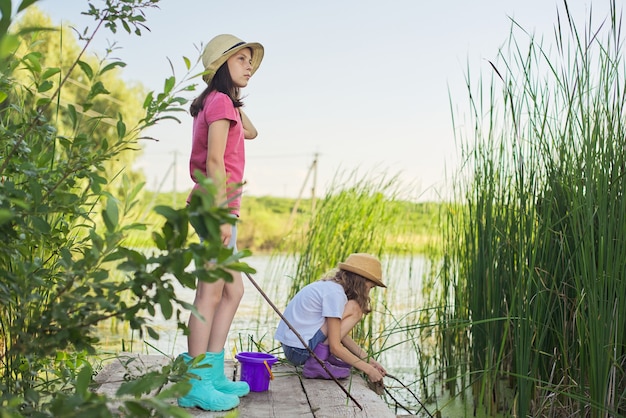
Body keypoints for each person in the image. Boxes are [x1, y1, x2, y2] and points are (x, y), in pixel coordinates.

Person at [177, 34, 264, 412]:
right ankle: (195, 383)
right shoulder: (219, 103)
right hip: (216, 207)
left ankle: (211, 374)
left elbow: (252, 132)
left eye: (251, 61)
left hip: (217, 207)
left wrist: (231, 92)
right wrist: (222, 213)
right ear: (222, 63)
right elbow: (215, 162)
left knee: (232, 291)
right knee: (210, 293)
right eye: (242, 59)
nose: (250, 66)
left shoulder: (219, 103)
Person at [275, 253, 387, 383]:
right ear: (361, 281)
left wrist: (369, 361)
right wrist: (368, 370)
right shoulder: (335, 294)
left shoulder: (330, 287)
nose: (368, 292)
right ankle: (317, 363)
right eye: (370, 287)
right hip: (299, 351)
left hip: (294, 348)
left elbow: (338, 333)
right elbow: (335, 347)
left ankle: (321, 358)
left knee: (351, 308)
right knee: (356, 308)